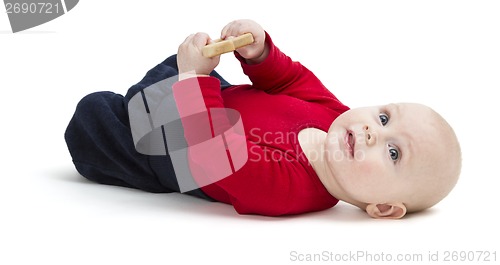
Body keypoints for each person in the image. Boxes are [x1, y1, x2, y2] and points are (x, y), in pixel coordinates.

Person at [65, 19, 461, 218]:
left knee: (92, 116)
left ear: (383, 208)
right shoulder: (338, 118)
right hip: (217, 99)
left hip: (182, 152)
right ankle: (160, 92)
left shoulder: (291, 191)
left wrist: (193, 79)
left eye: (394, 153)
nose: (373, 132)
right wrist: (260, 53)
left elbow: (212, 156)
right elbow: (292, 80)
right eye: (384, 117)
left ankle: (137, 117)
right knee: (181, 73)